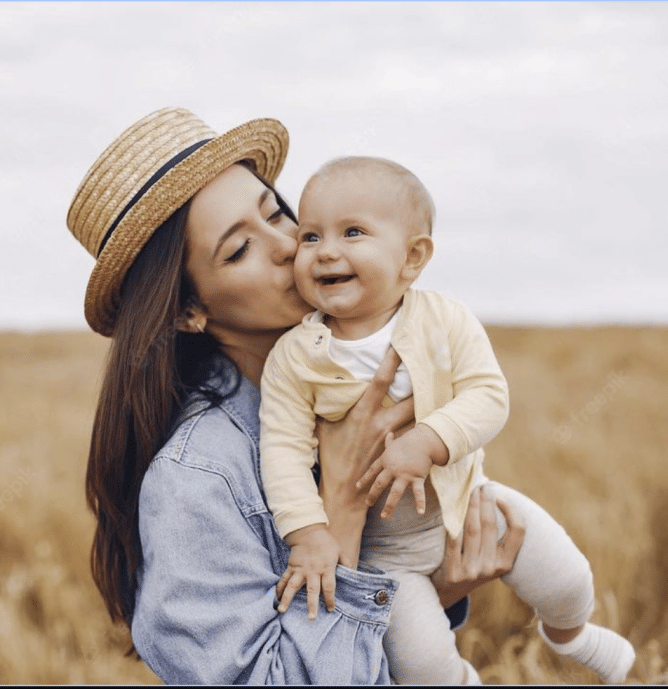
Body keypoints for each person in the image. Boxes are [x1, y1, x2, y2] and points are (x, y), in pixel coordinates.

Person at [65, 107, 526, 684]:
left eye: (278, 213)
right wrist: (339, 506)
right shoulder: (197, 478)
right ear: (189, 310)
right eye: (239, 250)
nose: (290, 245)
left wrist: (441, 588)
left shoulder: (354, 383)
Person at [259, 156, 636, 684]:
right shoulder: (295, 357)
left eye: (353, 232)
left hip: (468, 498)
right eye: (310, 236)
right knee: (422, 665)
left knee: (568, 578)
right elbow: (281, 450)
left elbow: (487, 393)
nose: (327, 251)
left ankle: (570, 633)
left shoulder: (442, 319)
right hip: (383, 553)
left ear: (412, 258)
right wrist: (308, 535)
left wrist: (430, 440)